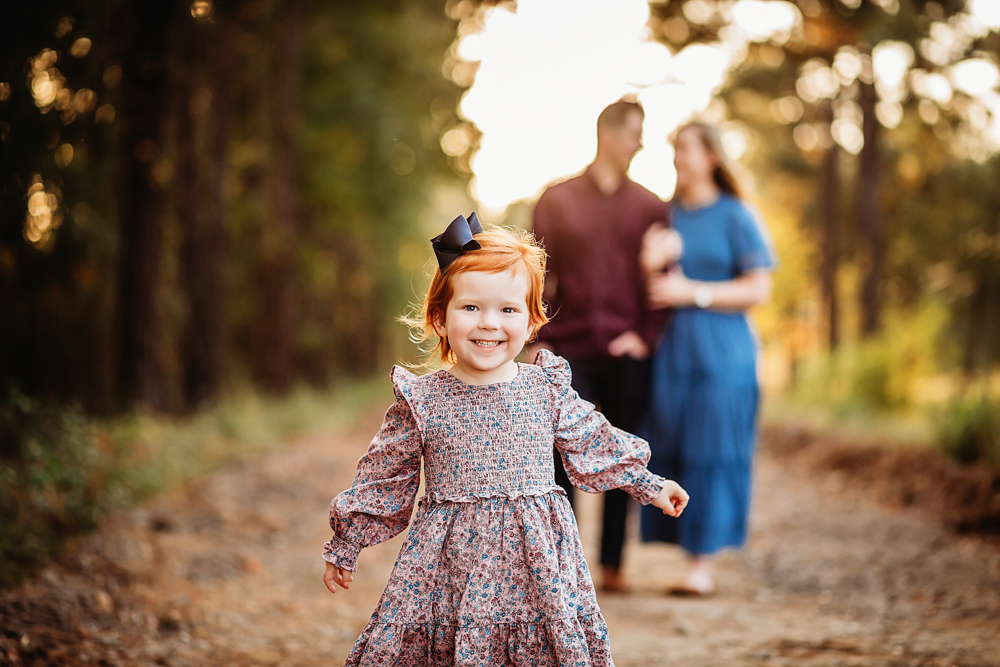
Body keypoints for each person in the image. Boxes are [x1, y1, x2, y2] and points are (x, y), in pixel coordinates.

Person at [322, 215, 689, 665]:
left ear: (533, 321)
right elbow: (385, 475)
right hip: (447, 571)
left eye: (508, 310)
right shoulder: (422, 399)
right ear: (440, 318)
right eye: (471, 308)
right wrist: (347, 541)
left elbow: (594, 440)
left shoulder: (545, 388)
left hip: (536, 570)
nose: (489, 323)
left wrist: (649, 484)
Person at [530, 99, 666, 592]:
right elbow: (537, 275)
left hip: (628, 354)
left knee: (619, 456)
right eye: (635, 132)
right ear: (609, 134)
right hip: (568, 350)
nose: (640, 142)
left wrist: (645, 337)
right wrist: (536, 338)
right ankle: (564, 568)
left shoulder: (652, 207)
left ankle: (612, 567)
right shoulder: (557, 200)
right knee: (561, 457)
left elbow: (661, 281)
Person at [639, 122, 775, 596]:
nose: (679, 157)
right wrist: (647, 263)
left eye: (688, 149)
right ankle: (687, 553)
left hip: (725, 352)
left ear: (712, 156)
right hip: (674, 351)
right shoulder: (666, 216)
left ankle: (703, 565)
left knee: (715, 447)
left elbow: (759, 288)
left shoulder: (737, 215)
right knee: (677, 443)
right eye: (675, 148)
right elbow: (648, 288)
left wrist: (691, 292)